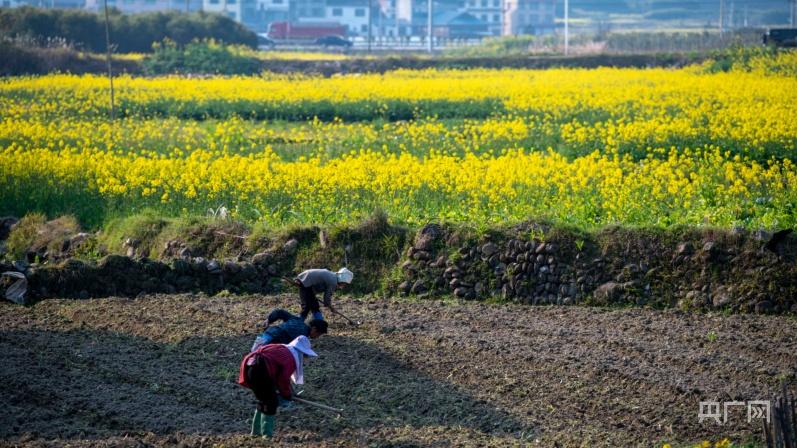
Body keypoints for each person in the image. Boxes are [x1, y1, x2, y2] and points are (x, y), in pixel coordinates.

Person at [238, 335, 318, 438]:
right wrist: (286, 395)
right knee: (271, 402)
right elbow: (283, 379)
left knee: (263, 400)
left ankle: (255, 432)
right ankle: (267, 436)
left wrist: (287, 392)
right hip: (261, 369)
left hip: (251, 366)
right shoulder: (290, 357)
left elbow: (278, 375)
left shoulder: (280, 348)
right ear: (301, 352)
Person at [250, 308, 328, 351]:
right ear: (314, 329)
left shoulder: (297, 320)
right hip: (275, 342)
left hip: (268, 334)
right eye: (319, 334)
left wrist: (269, 320)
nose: (317, 337)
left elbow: (279, 312)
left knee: (252, 355)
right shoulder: (302, 337)